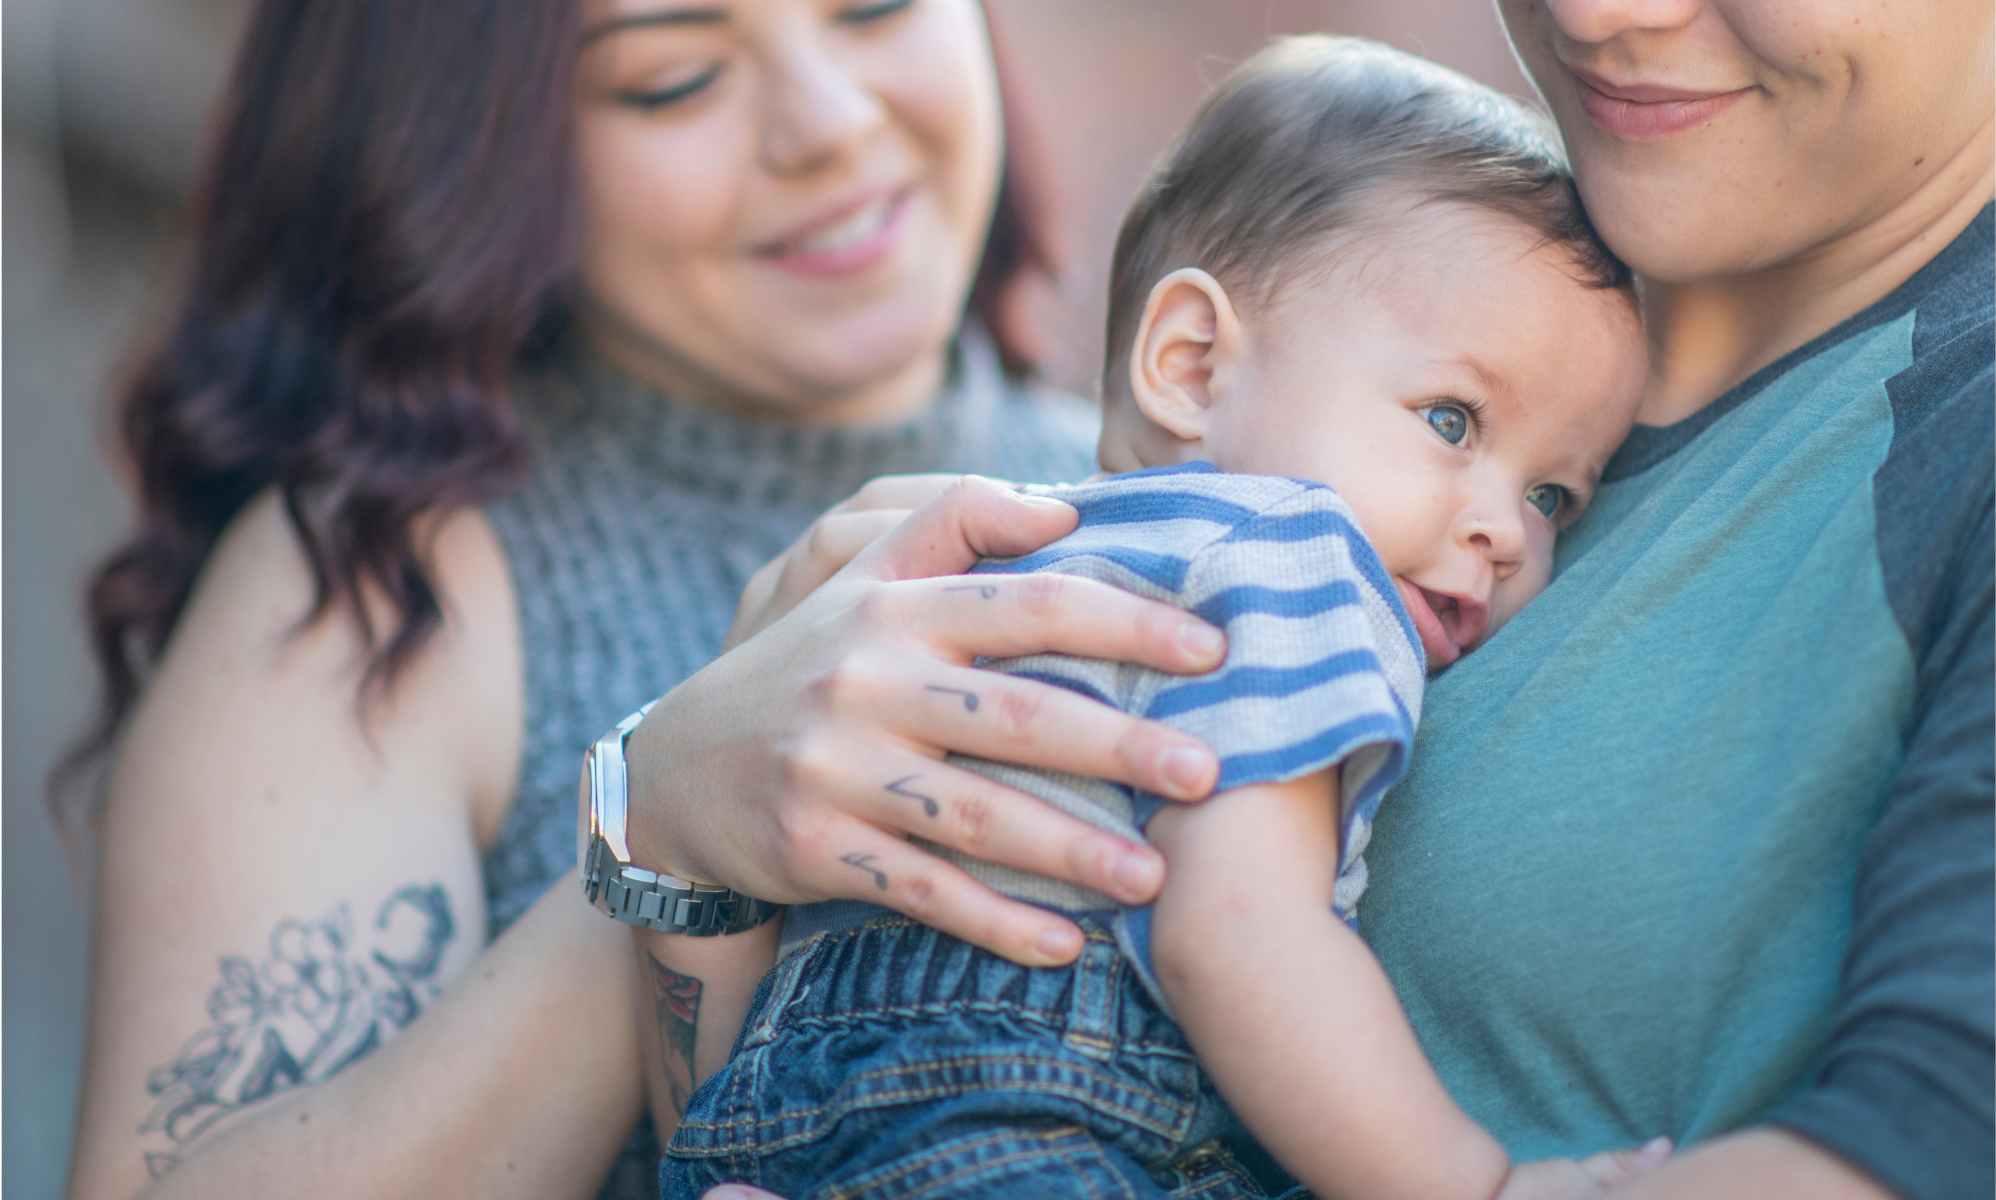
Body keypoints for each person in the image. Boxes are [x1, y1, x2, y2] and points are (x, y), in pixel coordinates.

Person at [621, 3, 1995, 1199]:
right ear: (1190, 358)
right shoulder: (1327, 493)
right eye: (1452, 421)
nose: (1595, 15)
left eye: (1552, 503)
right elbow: (1231, 927)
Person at [65, 4, 1228, 1199]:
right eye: (674, 80)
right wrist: (666, 827)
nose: (827, 124)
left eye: (873, 6)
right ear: (479, 151)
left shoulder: (1229, 500)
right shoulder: (373, 587)